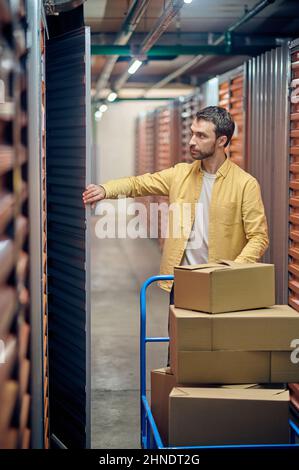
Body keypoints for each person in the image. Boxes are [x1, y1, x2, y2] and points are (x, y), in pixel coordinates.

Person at [83, 106, 269, 366]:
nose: (192, 141)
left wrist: (231, 271)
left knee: (221, 358)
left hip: (224, 286)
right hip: (183, 284)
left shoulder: (245, 184)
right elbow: (139, 183)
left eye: (201, 136)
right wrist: (105, 189)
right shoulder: (180, 174)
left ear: (222, 141)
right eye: (192, 133)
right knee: (179, 356)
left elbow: (259, 237)